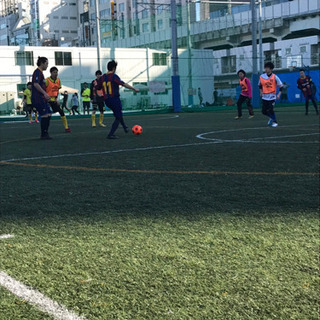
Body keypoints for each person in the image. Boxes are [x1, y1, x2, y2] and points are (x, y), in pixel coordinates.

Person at [95, 60, 139, 139]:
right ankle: (111, 134)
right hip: (114, 99)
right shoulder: (114, 76)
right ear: (114, 68)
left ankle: (125, 127)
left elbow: (97, 87)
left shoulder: (103, 77)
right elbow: (123, 84)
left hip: (107, 101)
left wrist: (99, 91)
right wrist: (133, 88)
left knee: (118, 113)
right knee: (118, 116)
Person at [32, 56, 52, 139]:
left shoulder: (41, 73)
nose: (47, 66)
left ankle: (45, 133)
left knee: (49, 114)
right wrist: (45, 93)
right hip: (38, 98)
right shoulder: (37, 72)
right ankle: (43, 134)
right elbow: (36, 84)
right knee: (44, 115)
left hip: (42, 98)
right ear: (42, 63)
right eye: (46, 64)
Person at [45, 67, 71, 133]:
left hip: (54, 100)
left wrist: (56, 98)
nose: (56, 74)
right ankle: (45, 130)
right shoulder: (47, 80)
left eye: (56, 72)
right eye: (54, 72)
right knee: (47, 115)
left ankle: (66, 127)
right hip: (47, 100)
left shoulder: (58, 80)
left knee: (61, 112)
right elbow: (43, 90)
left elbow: (57, 90)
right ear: (51, 73)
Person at [258, 62, 283, 127]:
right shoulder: (262, 77)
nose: (266, 69)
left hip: (272, 96)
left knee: (270, 109)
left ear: (271, 69)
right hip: (264, 97)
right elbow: (260, 86)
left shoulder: (275, 77)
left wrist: (278, 95)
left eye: (267, 68)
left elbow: (281, 86)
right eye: (265, 68)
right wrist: (261, 92)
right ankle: (271, 118)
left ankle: (275, 122)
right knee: (263, 111)